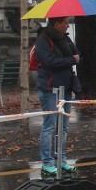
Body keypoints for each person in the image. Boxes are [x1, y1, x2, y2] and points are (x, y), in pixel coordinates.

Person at [35, 16, 80, 176]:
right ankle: (47, 161)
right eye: (66, 23)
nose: (68, 26)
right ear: (57, 24)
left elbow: (76, 55)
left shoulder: (66, 39)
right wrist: (70, 60)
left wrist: (72, 59)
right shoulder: (43, 40)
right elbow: (50, 61)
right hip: (50, 89)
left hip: (66, 89)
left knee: (64, 125)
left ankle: (61, 158)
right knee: (50, 125)